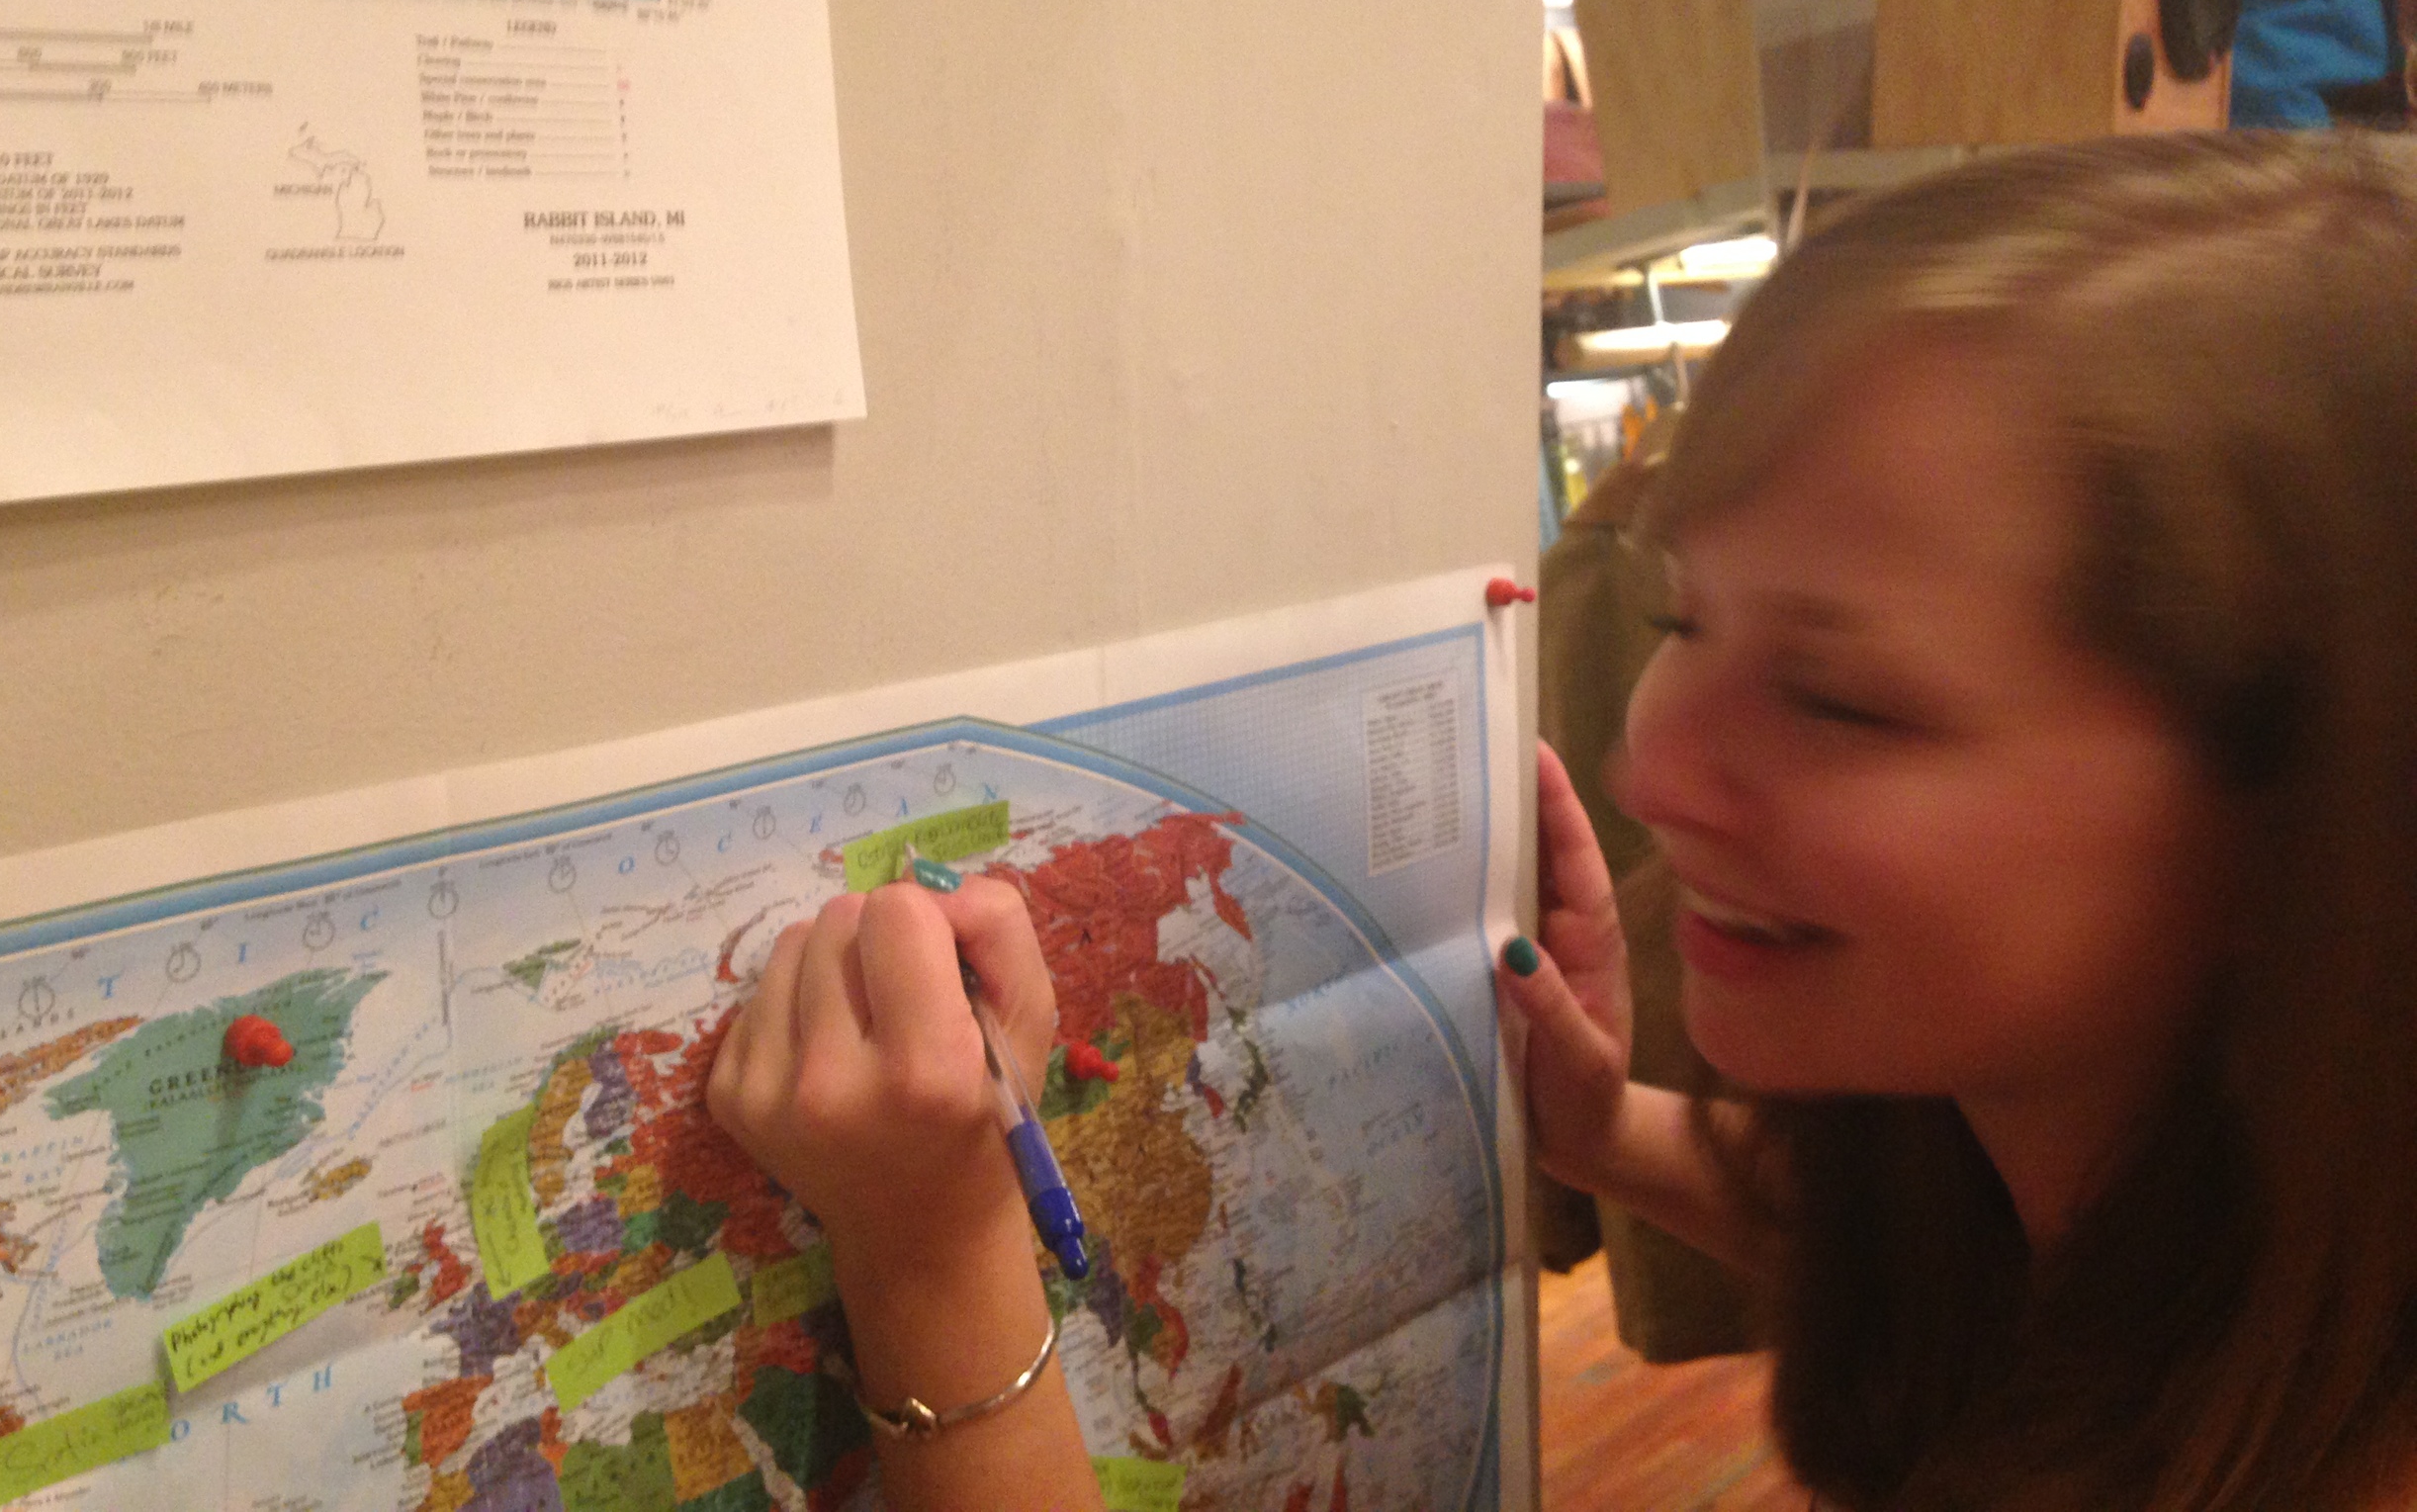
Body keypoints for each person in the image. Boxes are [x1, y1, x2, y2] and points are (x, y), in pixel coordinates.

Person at [706, 131, 2417, 1510]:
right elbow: (2001, 1285)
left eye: (1845, 698)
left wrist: (937, 1266)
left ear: (2304, 837)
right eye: (1685, 615)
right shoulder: (2191, 1221)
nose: (1655, 764)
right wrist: (1613, 1137)